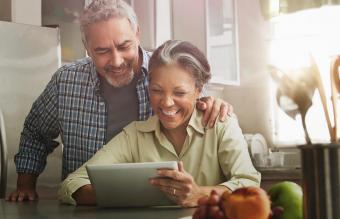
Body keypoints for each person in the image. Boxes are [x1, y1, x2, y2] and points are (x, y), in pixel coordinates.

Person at [7, 0, 232, 202]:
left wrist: (212, 103)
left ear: (137, 34)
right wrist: (25, 187)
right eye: (102, 51)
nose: (116, 61)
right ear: (87, 47)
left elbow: (196, 105)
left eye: (124, 46)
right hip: (86, 205)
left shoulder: (166, 72)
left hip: (158, 205)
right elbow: (35, 133)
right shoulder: (65, 81)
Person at [58, 40, 260, 207]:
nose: (167, 102)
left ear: (199, 90)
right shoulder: (135, 135)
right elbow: (72, 184)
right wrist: (132, 196)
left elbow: (250, 186)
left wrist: (200, 194)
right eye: (156, 90)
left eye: (179, 92)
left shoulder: (221, 125)